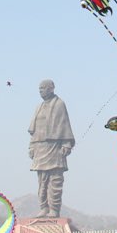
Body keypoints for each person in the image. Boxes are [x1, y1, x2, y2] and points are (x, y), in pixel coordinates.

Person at [28, 79, 75, 217]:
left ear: (51, 88)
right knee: (42, 181)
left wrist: (66, 143)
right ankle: (43, 207)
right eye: (39, 88)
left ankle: (54, 209)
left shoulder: (59, 104)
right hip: (40, 147)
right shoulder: (39, 107)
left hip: (54, 147)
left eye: (43, 88)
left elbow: (64, 124)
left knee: (55, 180)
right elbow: (33, 130)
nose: (40, 90)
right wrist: (31, 146)